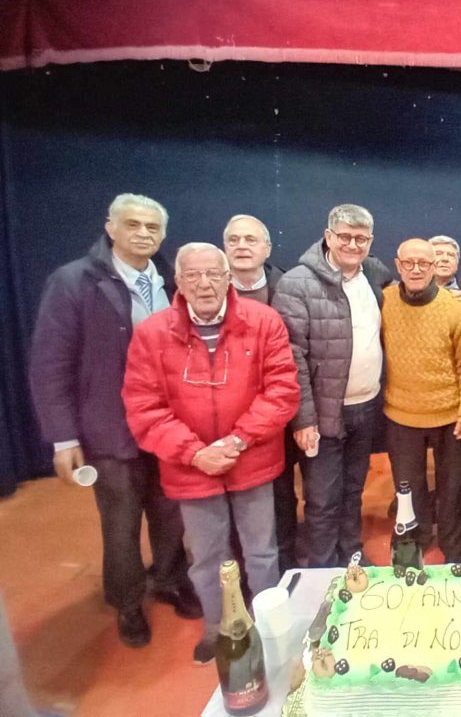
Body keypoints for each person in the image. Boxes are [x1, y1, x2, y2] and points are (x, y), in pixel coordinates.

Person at [29, 193, 199, 650]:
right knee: (121, 523)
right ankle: (127, 602)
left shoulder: (172, 280)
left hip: (167, 426)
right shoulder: (72, 283)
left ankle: (168, 579)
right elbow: (50, 365)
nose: (143, 233)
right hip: (110, 429)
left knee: (171, 512)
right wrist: (63, 438)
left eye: (152, 227)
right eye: (133, 224)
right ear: (111, 227)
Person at [123, 242, 300, 663]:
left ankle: (268, 625)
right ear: (179, 282)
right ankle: (220, 631)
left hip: (252, 458)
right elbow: (143, 408)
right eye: (193, 276)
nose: (204, 284)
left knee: (261, 552)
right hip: (190, 469)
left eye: (212, 275)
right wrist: (195, 453)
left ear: (227, 278)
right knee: (207, 558)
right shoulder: (151, 333)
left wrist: (238, 440)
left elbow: (282, 391)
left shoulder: (264, 321)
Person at [273, 204, 393, 567]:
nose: (353, 245)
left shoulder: (374, 274)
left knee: (353, 491)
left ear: (370, 242)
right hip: (322, 415)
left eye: (361, 238)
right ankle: (323, 571)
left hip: (366, 406)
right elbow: (291, 356)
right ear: (328, 237)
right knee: (323, 499)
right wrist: (303, 419)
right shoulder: (297, 283)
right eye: (345, 236)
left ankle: (351, 557)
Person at [382, 238, 461, 563]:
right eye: (409, 263)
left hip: (451, 415)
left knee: (452, 490)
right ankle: (417, 538)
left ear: (436, 267)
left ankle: (452, 548)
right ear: (397, 265)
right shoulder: (384, 302)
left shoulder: (456, 307)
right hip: (401, 414)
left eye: (424, 263)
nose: (416, 269)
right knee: (409, 487)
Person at [223, 214, 301, 573]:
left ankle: (283, 563)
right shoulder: (206, 292)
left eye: (250, 240)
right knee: (231, 500)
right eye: (234, 240)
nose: (242, 246)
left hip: (279, 412)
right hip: (226, 419)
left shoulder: (286, 286)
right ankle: (236, 568)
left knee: (282, 494)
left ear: (266, 248)